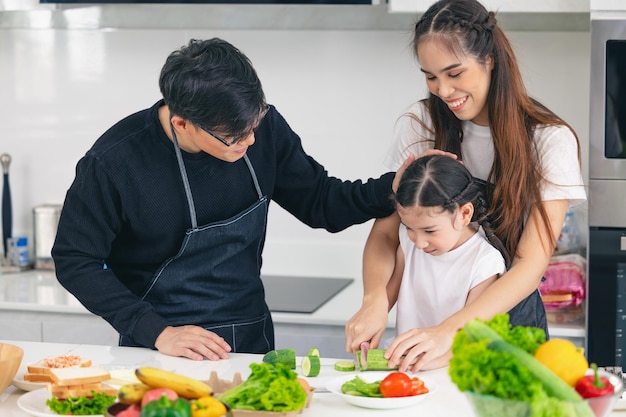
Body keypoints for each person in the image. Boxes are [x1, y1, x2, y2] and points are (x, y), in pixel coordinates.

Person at [52, 38, 396, 361]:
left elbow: (323, 203)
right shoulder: (114, 162)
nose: (250, 140)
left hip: (251, 337)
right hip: (160, 350)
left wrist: (396, 187)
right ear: (182, 123)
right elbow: (75, 259)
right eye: (234, 137)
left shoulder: (262, 127)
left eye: (254, 125)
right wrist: (157, 331)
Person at [345, 0, 586, 372]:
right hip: (430, 333)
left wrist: (449, 331)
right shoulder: (422, 125)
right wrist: (375, 299)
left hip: (508, 332)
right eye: (430, 76)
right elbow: (387, 233)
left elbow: (529, 263)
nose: (443, 90)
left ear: (489, 59)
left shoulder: (549, 140)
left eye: (454, 73)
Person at [382, 154, 506, 371]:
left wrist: (427, 361)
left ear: (464, 214)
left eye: (430, 230)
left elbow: (473, 335)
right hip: (407, 372)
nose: (419, 242)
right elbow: (386, 298)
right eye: (410, 227)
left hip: (453, 373)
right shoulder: (410, 243)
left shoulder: (485, 261)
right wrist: (371, 318)